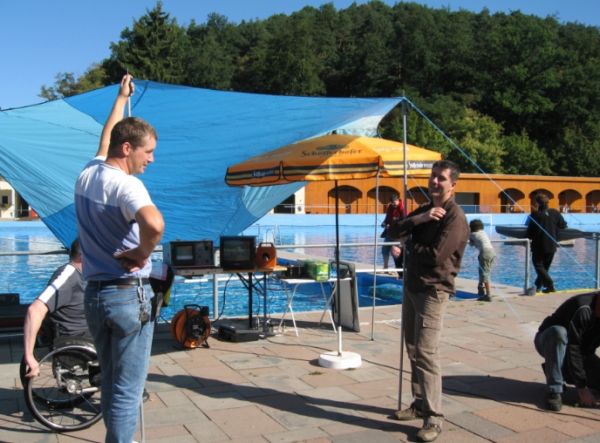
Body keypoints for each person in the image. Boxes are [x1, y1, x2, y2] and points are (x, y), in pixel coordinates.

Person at [75, 74, 164, 443]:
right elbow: (155, 224)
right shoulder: (127, 185)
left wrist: (120, 98)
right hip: (128, 296)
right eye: (148, 152)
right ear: (127, 149)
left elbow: (106, 138)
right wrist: (143, 252)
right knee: (129, 391)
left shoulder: (88, 173)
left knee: (111, 383)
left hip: (95, 296)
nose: (152, 159)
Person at [388, 160, 469, 442]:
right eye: (433, 176)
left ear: (453, 184)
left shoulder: (455, 217)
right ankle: (420, 402)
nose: (434, 182)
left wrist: (409, 245)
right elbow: (391, 231)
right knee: (412, 347)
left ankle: (434, 418)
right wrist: (419, 219)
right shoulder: (426, 210)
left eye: (441, 178)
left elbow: (436, 256)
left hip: (434, 290)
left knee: (426, 352)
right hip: (413, 286)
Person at [23, 239, 87, 378]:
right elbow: (34, 310)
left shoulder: (83, 275)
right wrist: (29, 356)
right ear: (83, 256)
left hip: (87, 331)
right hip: (76, 338)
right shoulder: (67, 275)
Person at [534, 291, 600, 411]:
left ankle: (563, 370)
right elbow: (573, 347)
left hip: (583, 352)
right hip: (549, 341)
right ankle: (554, 390)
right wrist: (582, 388)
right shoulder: (583, 308)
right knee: (558, 333)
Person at [527, 193, 567, 293]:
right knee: (544, 268)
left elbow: (530, 233)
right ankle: (537, 287)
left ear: (537, 203)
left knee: (538, 265)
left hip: (539, 246)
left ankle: (550, 285)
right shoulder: (555, 213)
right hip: (552, 245)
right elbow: (563, 225)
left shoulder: (534, 215)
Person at [468, 219, 496, 302]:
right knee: (482, 271)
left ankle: (488, 295)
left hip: (485, 253)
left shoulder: (473, 234)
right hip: (492, 252)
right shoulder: (483, 232)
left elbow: (471, 244)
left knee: (485, 273)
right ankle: (480, 287)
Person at [381, 193, 405, 269]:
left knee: (396, 252)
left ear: (398, 200)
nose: (393, 204)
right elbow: (387, 218)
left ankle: (399, 269)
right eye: (392, 203)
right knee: (385, 249)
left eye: (394, 202)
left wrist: (393, 224)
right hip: (389, 233)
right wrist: (384, 223)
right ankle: (385, 267)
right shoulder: (390, 207)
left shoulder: (402, 208)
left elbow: (404, 221)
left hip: (398, 235)